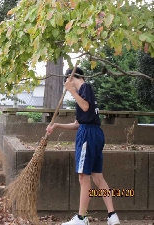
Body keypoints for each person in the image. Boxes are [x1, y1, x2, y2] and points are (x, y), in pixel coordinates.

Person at [46, 67, 120, 225]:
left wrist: (71, 91)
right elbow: (78, 123)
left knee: (83, 177)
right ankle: (112, 216)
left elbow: (85, 108)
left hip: (88, 135)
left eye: (67, 81)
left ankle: (81, 218)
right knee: (97, 177)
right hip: (94, 133)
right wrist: (57, 125)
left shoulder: (84, 88)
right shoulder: (85, 92)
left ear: (70, 77)